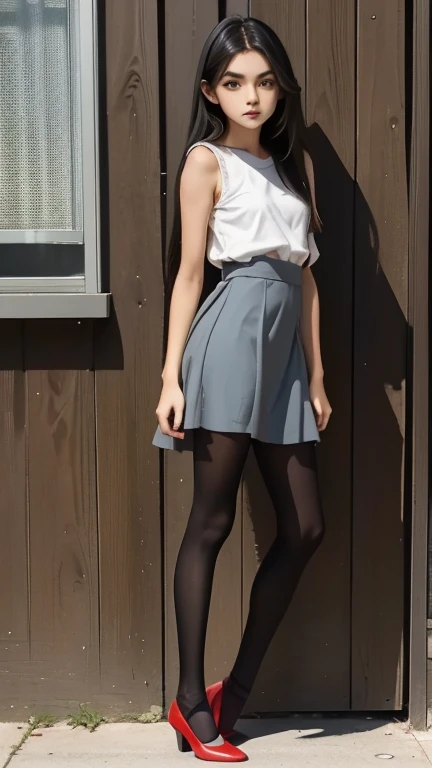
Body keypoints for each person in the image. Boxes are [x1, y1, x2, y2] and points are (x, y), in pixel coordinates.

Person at [153, 14, 332, 763]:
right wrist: (170, 374)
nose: (250, 96)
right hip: (227, 339)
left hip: (286, 351)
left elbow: (308, 276)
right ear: (211, 91)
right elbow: (191, 272)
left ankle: (235, 693)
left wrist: (318, 374)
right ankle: (192, 704)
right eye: (233, 83)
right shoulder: (206, 161)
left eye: (263, 81)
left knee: (305, 528)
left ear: (280, 87)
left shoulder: (295, 168)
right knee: (211, 522)